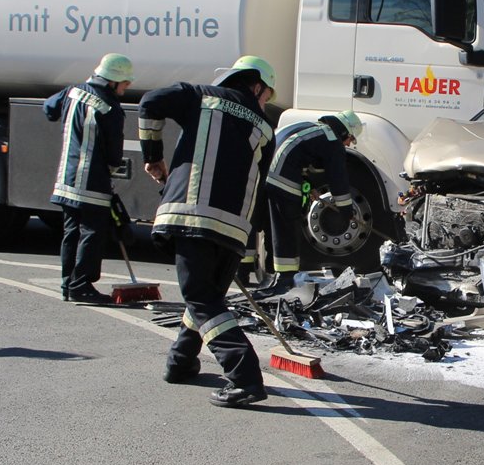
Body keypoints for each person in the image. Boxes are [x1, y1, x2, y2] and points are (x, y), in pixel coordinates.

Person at [138, 55, 277, 408]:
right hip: (233, 230)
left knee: (201, 298)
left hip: (192, 216)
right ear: (255, 84)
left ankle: (244, 377)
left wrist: (153, 155)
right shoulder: (264, 126)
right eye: (267, 95)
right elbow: (260, 182)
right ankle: (180, 362)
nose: (265, 102)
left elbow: (149, 102)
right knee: (205, 296)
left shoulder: (201, 96)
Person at [44, 53, 134, 304]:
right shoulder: (110, 107)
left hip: (66, 177)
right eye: (125, 83)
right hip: (92, 181)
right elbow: (115, 153)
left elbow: (48, 109)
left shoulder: (71, 92)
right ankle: (82, 284)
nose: (126, 88)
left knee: (71, 231)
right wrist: (112, 174)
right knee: (92, 233)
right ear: (112, 81)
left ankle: (67, 283)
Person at [252, 110, 364, 297]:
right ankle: (285, 279)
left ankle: (268, 272)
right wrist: (346, 210)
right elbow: (338, 179)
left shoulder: (311, 128)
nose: (348, 144)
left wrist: (308, 184)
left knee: (273, 227)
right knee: (287, 228)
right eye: (350, 139)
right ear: (345, 132)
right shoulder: (332, 141)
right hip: (282, 179)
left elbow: (297, 155)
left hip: (265, 175)